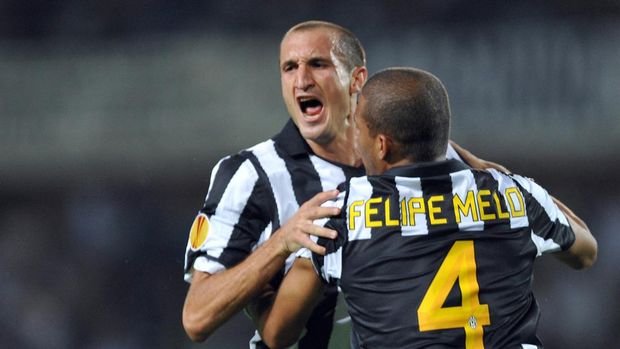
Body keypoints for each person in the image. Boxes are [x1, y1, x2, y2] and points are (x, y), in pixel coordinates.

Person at [181, 21, 502, 348]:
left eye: (318, 64)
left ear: (357, 79)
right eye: (289, 68)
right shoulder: (252, 174)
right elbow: (197, 319)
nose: (302, 80)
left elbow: (513, 190)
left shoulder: (417, 152)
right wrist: (281, 243)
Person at [259, 67, 598, 348]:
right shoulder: (513, 194)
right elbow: (585, 251)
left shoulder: (342, 211)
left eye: (358, 128)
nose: (354, 141)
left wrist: (264, 267)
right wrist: (501, 174)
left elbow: (277, 334)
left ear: (381, 144)